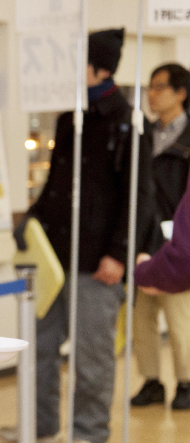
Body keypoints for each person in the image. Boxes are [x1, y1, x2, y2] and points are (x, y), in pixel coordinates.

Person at [0, 28, 154, 443]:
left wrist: (120, 253)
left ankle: (89, 432)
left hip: (99, 263)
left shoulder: (129, 123)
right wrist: (31, 219)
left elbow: (138, 196)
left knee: (92, 358)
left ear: (100, 67)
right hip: (53, 258)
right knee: (40, 349)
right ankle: (39, 424)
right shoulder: (71, 118)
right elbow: (57, 184)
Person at [131, 63, 190, 410]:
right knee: (143, 320)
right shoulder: (142, 137)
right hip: (143, 239)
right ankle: (151, 379)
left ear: (180, 92)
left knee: (180, 316)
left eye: (159, 87)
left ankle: (186, 381)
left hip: (178, 241)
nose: (152, 95)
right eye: (149, 88)